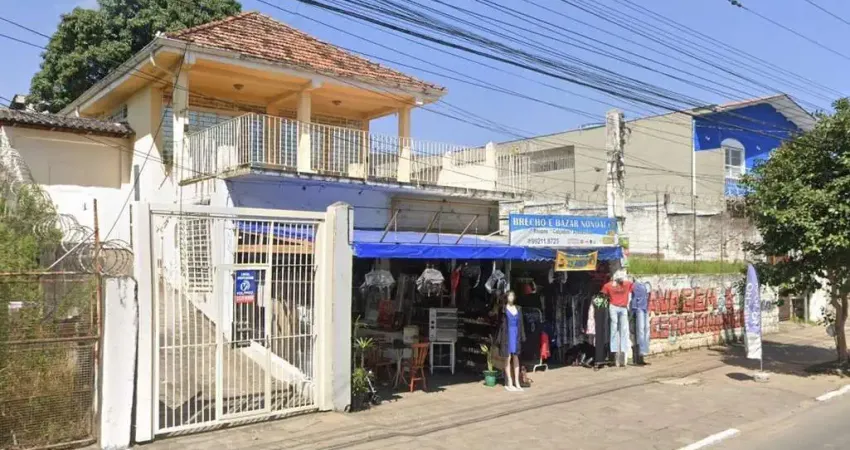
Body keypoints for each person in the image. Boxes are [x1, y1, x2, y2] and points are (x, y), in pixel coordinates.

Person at [601, 272, 634, 367]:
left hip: (620, 307)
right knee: (617, 328)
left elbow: (603, 294)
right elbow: (603, 294)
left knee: (619, 329)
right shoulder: (623, 284)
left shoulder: (625, 284)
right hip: (616, 307)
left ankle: (620, 350)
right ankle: (616, 350)